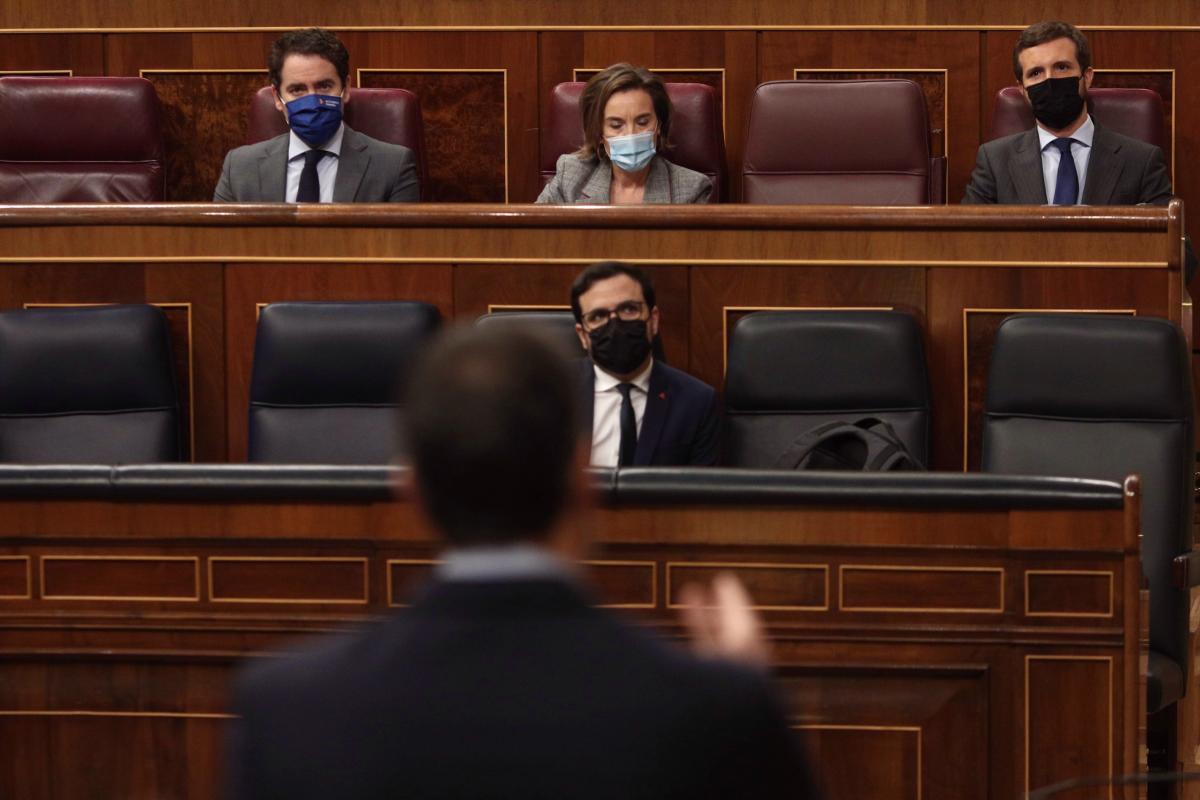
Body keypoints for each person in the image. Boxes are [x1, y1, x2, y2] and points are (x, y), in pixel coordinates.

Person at [226, 325, 818, 799]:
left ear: (411, 492)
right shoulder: (712, 709)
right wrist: (749, 708)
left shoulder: (288, 708)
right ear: (581, 477)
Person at [963, 21, 1170, 207]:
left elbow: (1172, 236)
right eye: (1036, 73)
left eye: (1061, 67)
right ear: (1022, 89)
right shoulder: (994, 161)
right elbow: (967, 235)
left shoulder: (1141, 161)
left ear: (1086, 77)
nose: (1049, 80)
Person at [214, 28, 419, 203]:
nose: (312, 101)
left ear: (346, 89)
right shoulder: (239, 168)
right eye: (297, 89)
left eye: (324, 86)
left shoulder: (393, 167)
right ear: (277, 97)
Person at [571, 261, 720, 466]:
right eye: (598, 316)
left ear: (654, 320)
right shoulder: (549, 392)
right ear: (582, 335)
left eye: (629, 309)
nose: (615, 325)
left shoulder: (697, 401)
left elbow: (703, 485)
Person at [537, 63, 712, 204]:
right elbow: (534, 233)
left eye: (642, 122)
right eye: (616, 125)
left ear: (659, 125)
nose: (631, 135)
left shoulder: (691, 189)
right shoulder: (571, 176)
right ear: (599, 133)